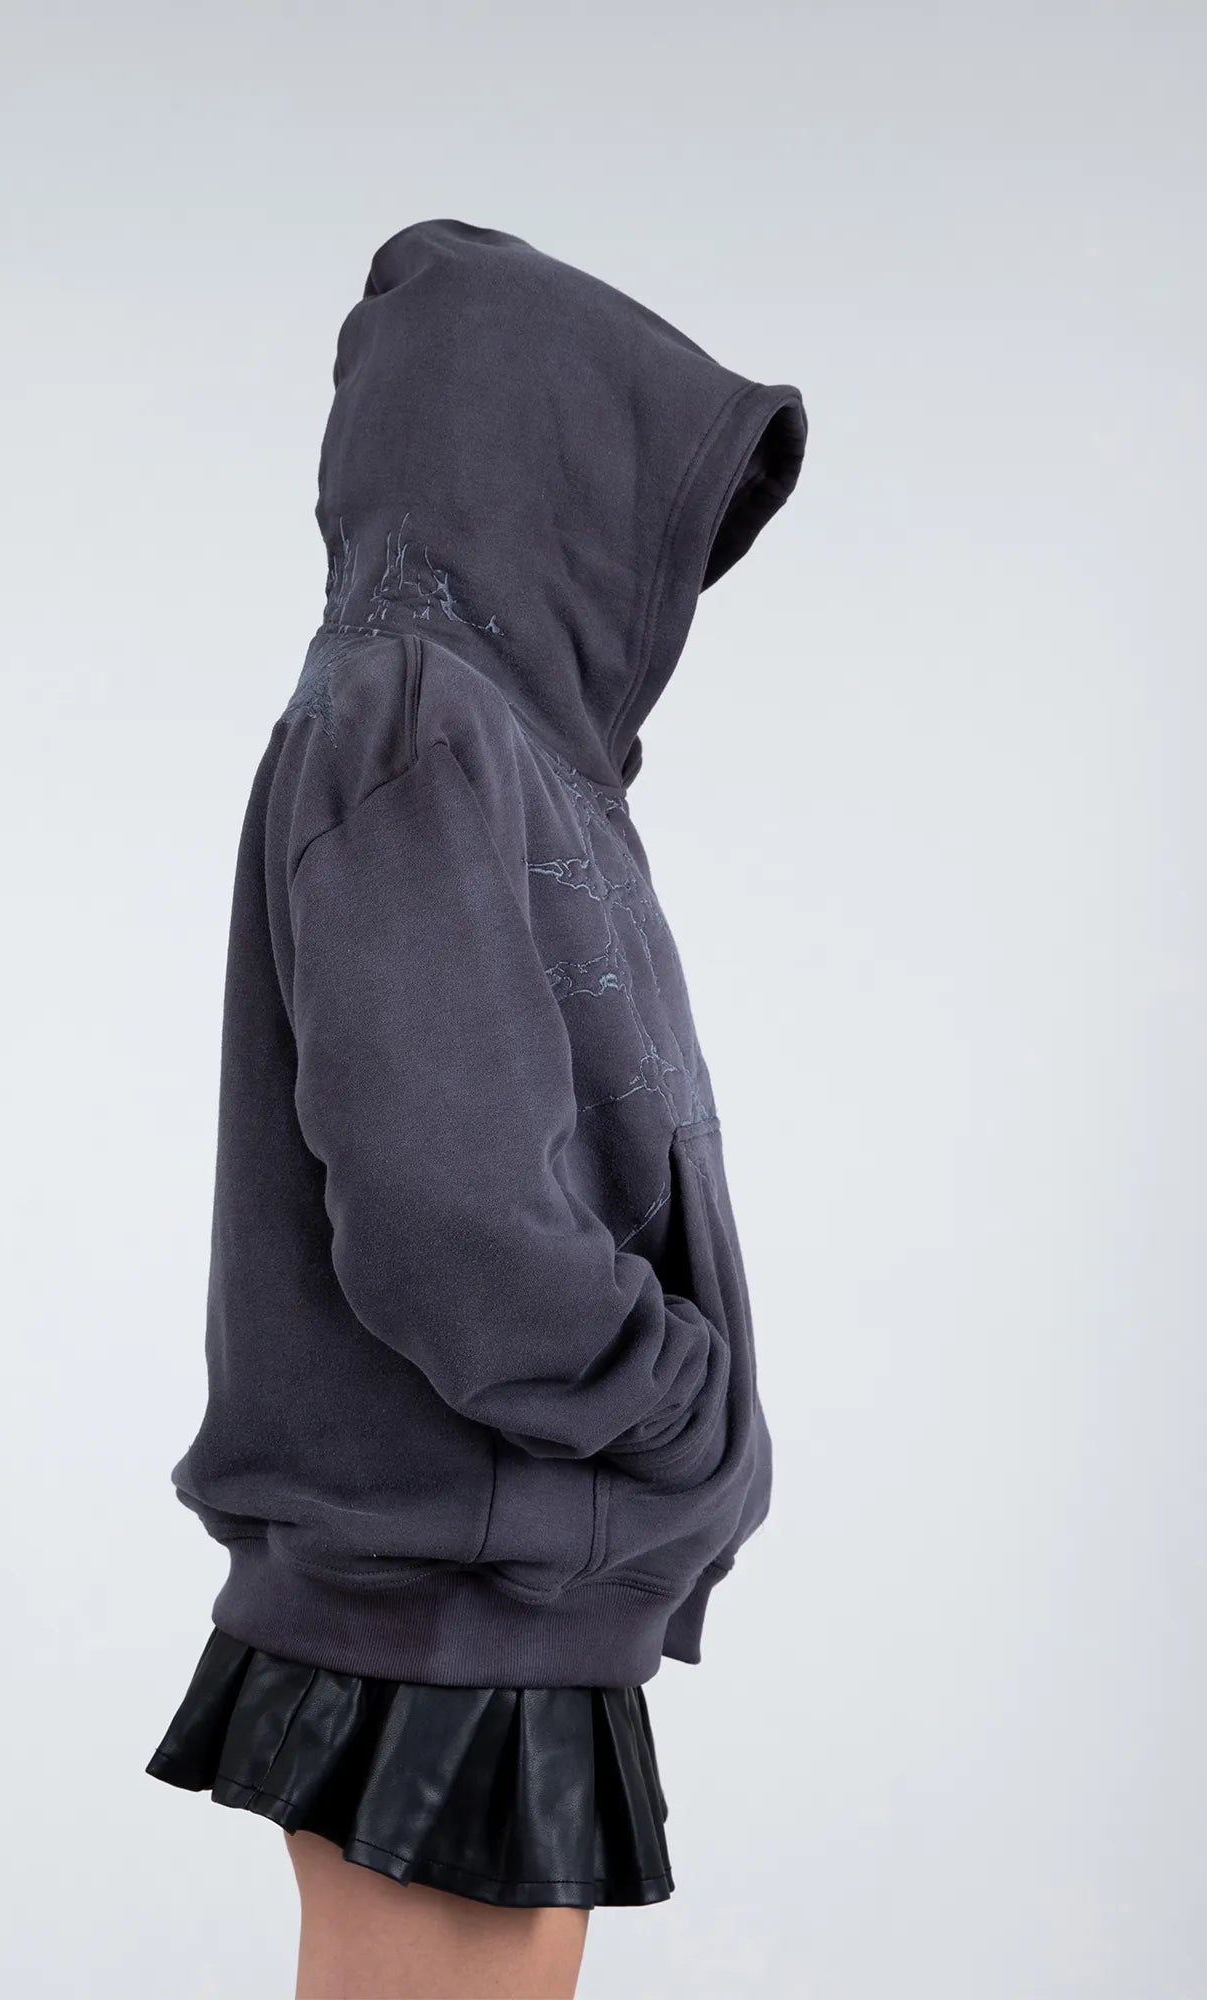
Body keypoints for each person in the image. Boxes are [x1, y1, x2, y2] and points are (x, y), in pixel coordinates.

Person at [145, 216, 808, 1999]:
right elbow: (447, 1214)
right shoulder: (416, 718)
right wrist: (674, 1400)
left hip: (490, 1575)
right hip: (452, 1592)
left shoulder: (486, 737)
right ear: (548, 469)